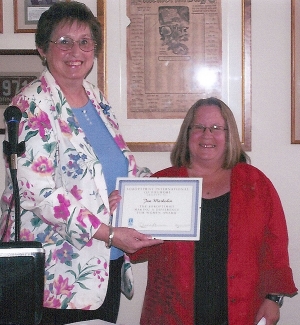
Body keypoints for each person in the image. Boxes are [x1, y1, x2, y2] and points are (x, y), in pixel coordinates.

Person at [0, 2, 161, 324]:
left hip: (106, 263)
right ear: (43, 49)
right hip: (58, 273)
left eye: (85, 41)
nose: (76, 51)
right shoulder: (32, 104)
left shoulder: (96, 98)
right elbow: (38, 193)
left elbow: (120, 169)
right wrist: (110, 233)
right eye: (64, 41)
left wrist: (161, 192)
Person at [128, 97, 297, 325]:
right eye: (199, 127)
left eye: (217, 128)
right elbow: (138, 251)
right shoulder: (161, 183)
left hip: (245, 310)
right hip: (171, 312)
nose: (207, 134)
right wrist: (121, 214)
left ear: (229, 135)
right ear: (187, 133)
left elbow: (275, 247)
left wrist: (273, 298)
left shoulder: (255, 183)